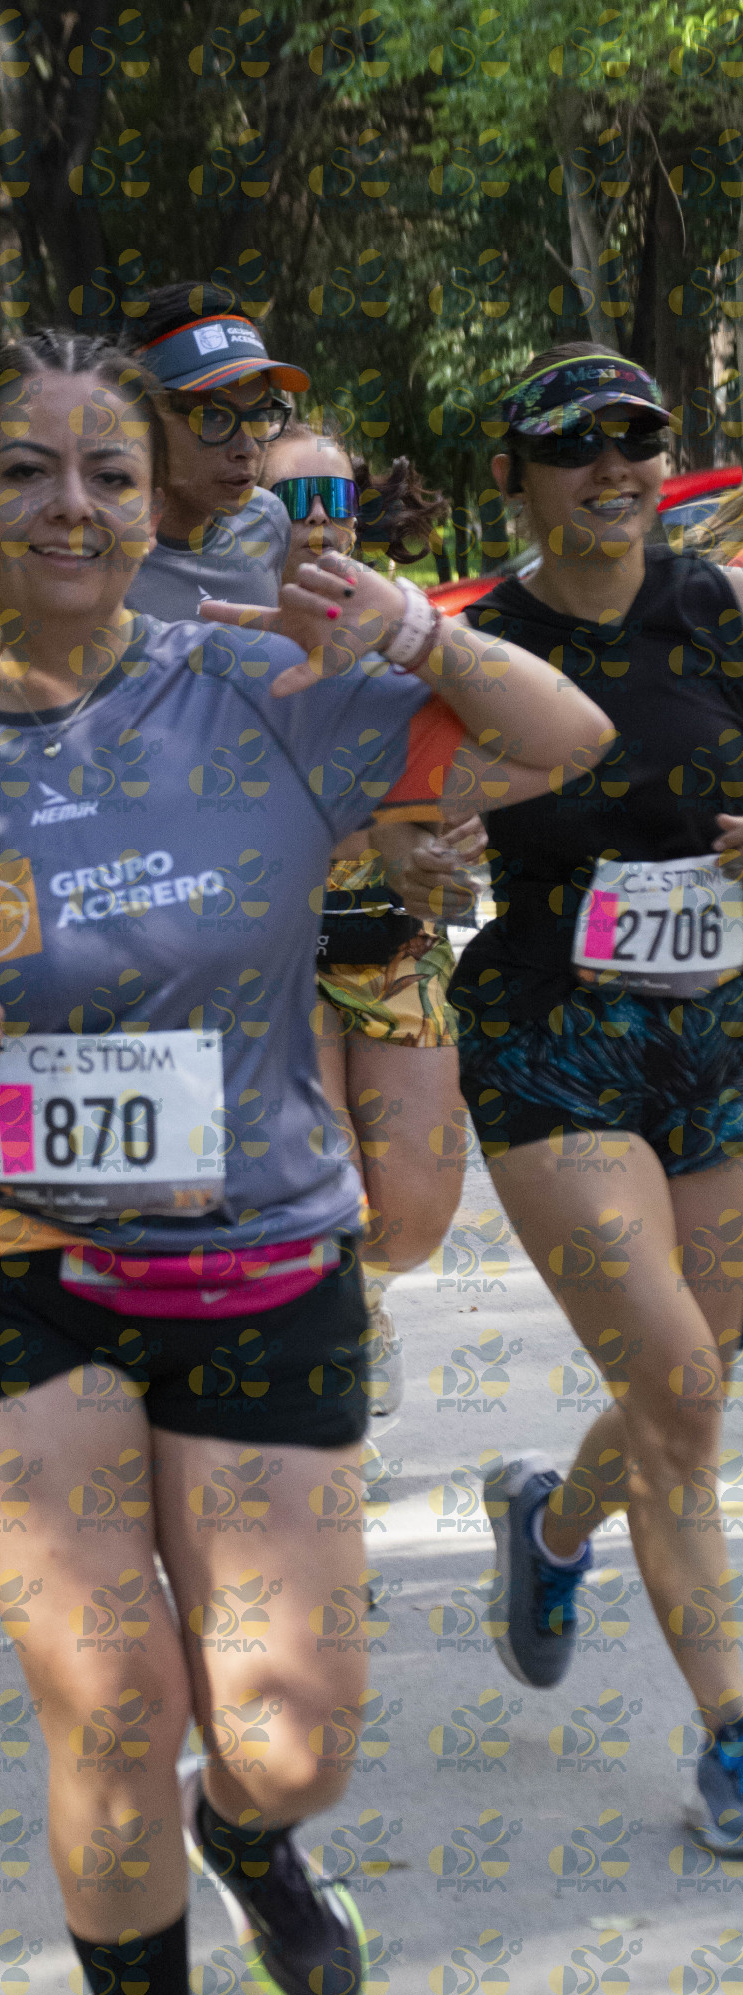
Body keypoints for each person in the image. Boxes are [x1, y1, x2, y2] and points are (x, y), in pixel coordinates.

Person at [0, 330, 609, 1995]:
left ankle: (247, 1831)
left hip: (259, 1255)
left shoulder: (261, 692)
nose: (70, 505)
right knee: (112, 1699)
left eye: (110, 474)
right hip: (5, 1268)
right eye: (27, 471)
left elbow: (562, 736)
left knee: (295, 1740)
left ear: (155, 509)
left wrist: (414, 626)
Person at [393, 343, 743, 1857]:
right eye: (572, 445)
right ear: (512, 477)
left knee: (688, 1377)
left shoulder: (722, 612)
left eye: (636, 438)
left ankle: (548, 1523)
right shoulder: (473, 645)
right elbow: (379, 830)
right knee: (677, 1378)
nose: (612, 468)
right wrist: (412, 854)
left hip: (723, 1030)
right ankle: (733, 1732)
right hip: (553, 1031)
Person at [265, 424, 468, 1413]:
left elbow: (478, 760)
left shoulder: (409, 624)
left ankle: (360, 1300)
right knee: (325, 1187)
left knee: (414, 1220)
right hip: (266, 946)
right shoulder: (210, 626)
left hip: (390, 934)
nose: (315, 522)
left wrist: (458, 830)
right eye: (289, 500)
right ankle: (322, 1347)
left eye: (332, 497)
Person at [117, 281, 307, 622]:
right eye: (215, 416)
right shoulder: (100, 554)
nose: (247, 448)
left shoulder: (267, 520)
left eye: (260, 415)